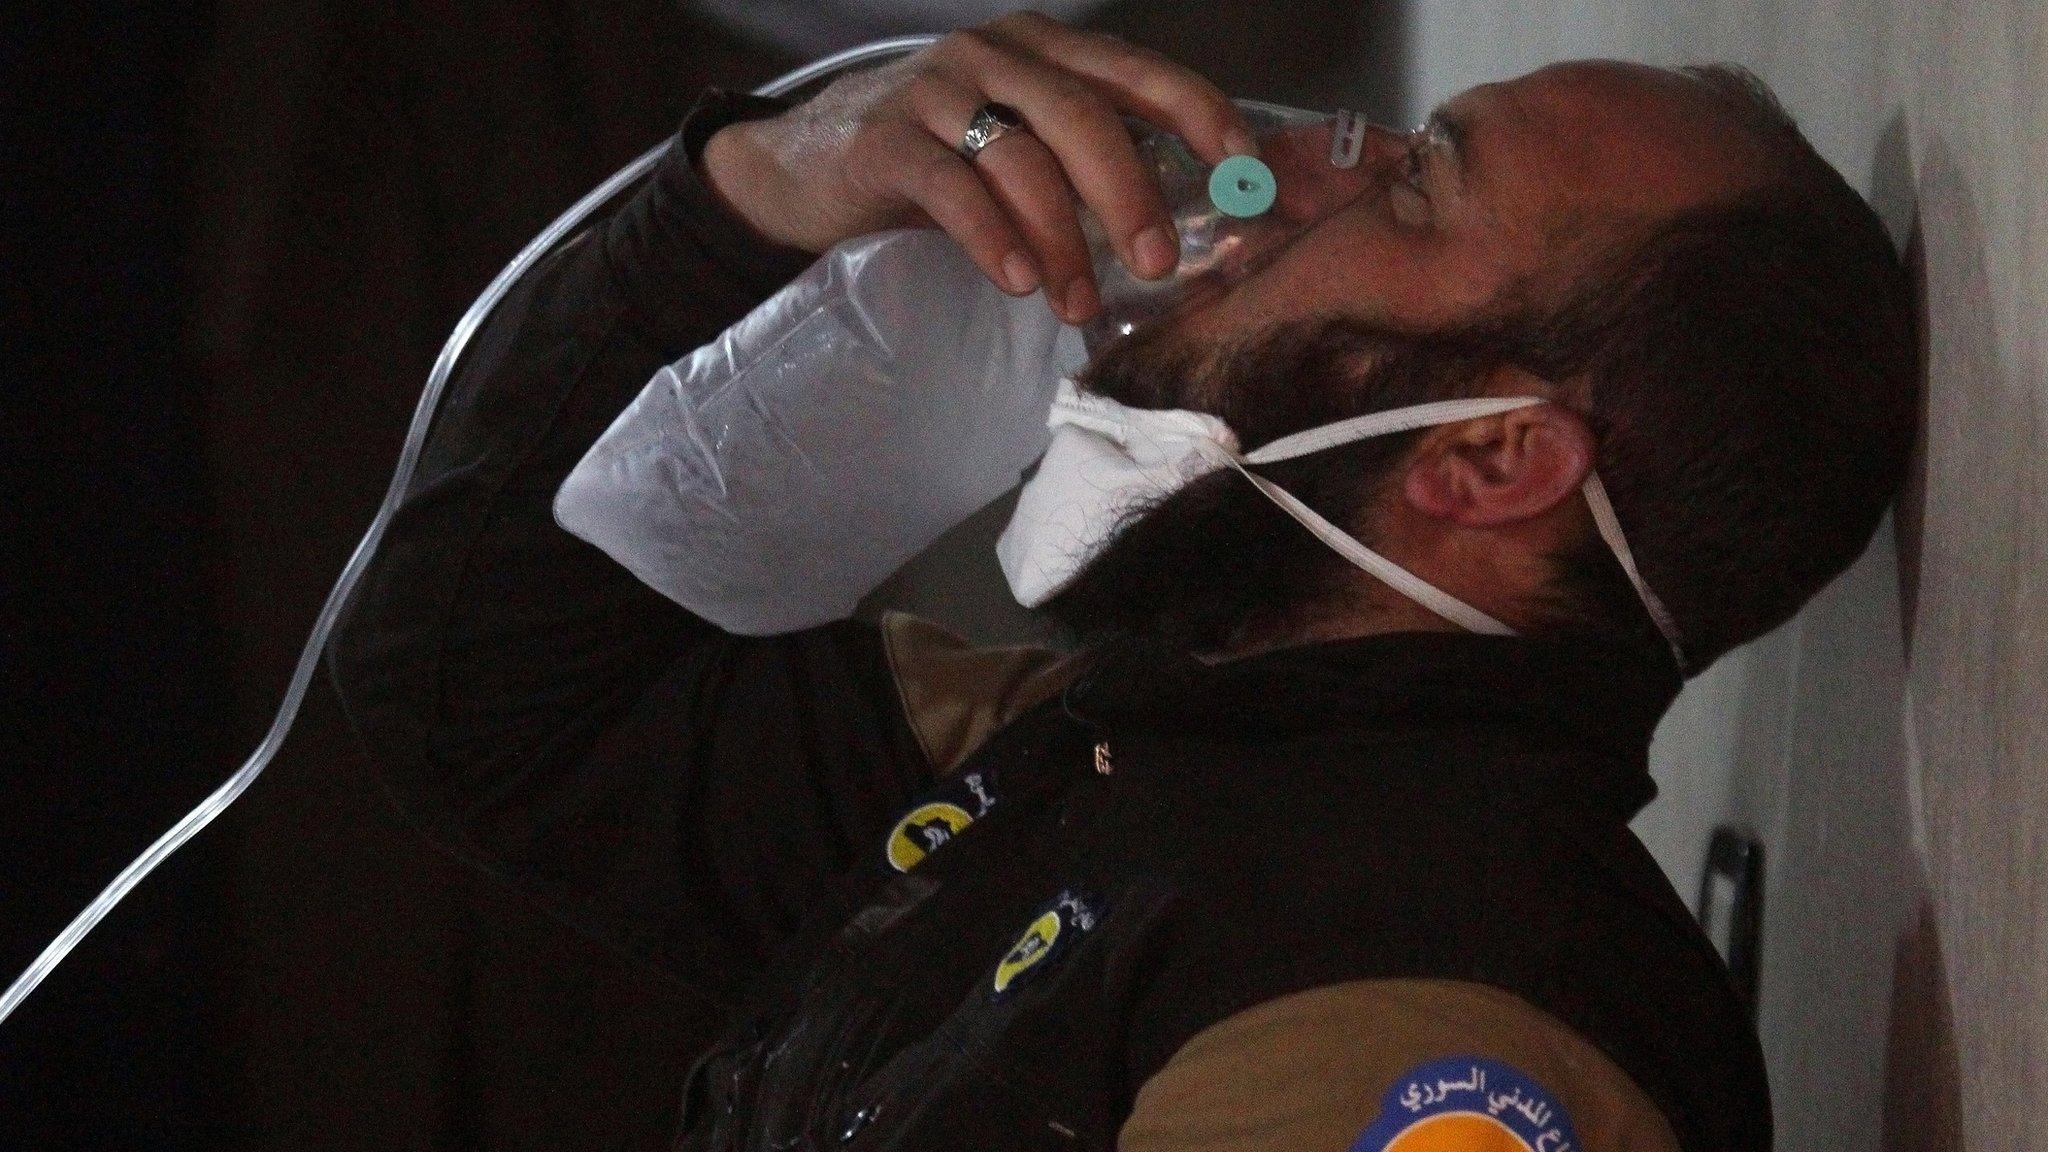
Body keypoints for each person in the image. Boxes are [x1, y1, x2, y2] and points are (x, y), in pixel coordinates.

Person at [329, 12, 1914, 1151]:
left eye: (1416, 186)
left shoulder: (1444, 1006)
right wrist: (755, 195)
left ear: (1491, 463)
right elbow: (480, 690)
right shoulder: (1109, 749)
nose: (1284, 183)